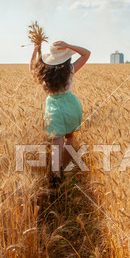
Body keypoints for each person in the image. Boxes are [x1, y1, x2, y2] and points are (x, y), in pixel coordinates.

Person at [29, 40, 90, 185]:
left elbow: (32, 69)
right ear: (66, 57)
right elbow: (87, 53)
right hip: (71, 106)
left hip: (54, 109)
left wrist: (35, 51)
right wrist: (69, 46)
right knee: (69, 138)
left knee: (56, 143)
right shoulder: (70, 69)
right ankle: (65, 167)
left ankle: (57, 176)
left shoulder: (44, 73)